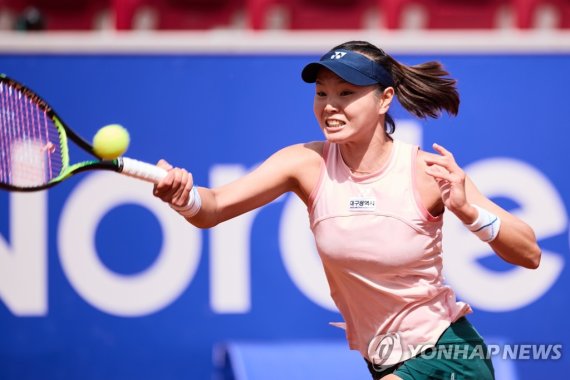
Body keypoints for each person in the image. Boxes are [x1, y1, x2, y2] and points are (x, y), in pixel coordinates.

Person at [152, 40, 541, 380]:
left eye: (346, 93)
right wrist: (183, 196)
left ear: (384, 99)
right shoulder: (303, 163)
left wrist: (468, 211)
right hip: (385, 362)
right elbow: (215, 206)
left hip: (446, 356)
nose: (330, 107)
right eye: (322, 93)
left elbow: (529, 253)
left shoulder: (425, 172)